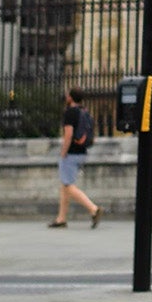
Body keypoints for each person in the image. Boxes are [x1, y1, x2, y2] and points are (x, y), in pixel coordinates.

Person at [49, 87, 101, 230]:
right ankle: (61, 218)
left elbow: (68, 135)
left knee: (68, 185)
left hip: (71, 153)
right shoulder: (85, 112)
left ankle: (93, 209)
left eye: (68, 95)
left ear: (71, 98)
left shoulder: (70, 113)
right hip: (82, 152)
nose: (66, 96)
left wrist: (63, 152)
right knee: (65, 186)